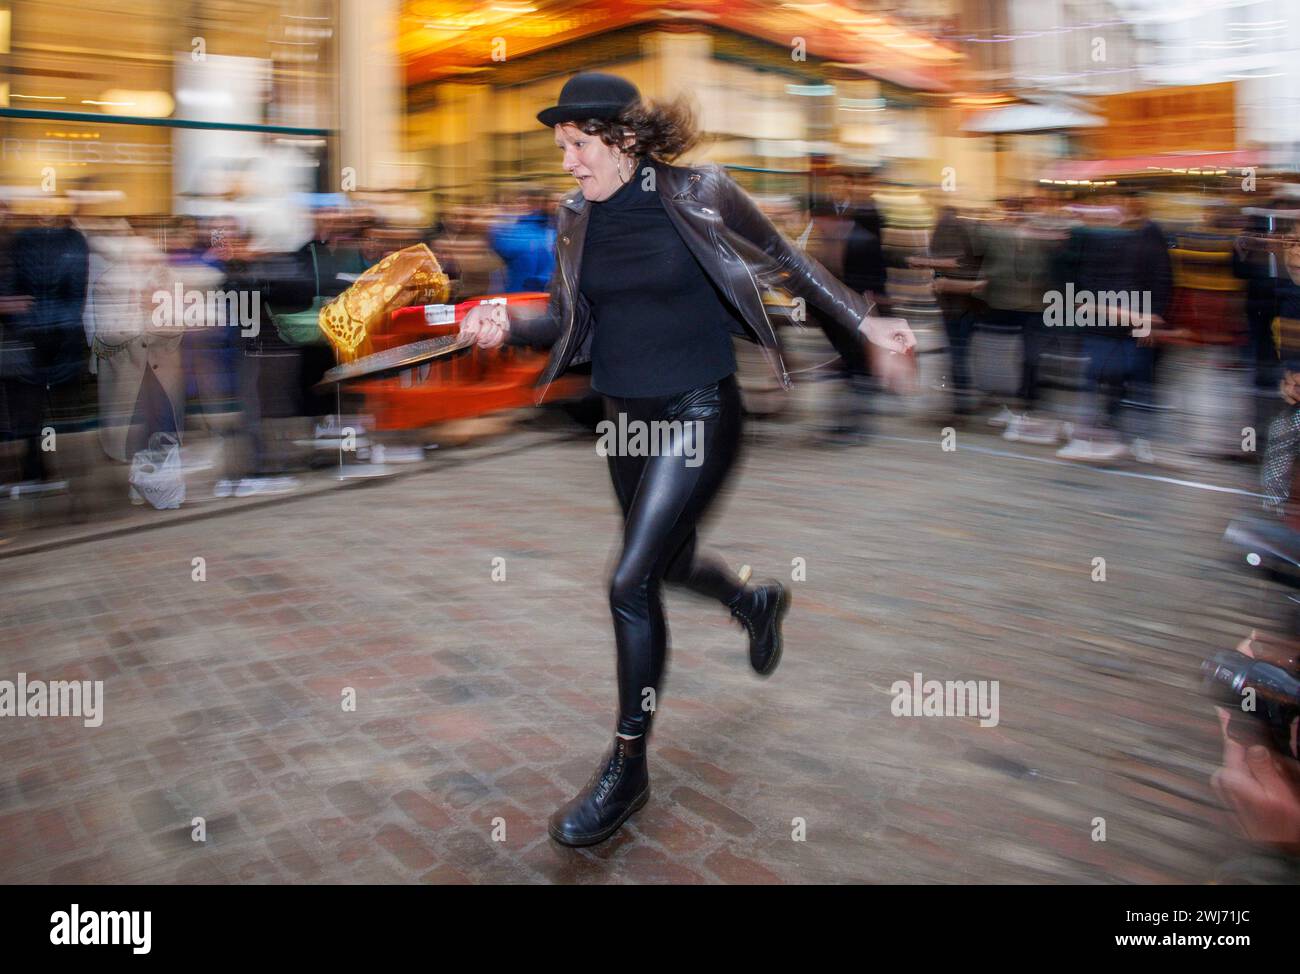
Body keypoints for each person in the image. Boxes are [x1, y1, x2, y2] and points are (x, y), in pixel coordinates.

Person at [459, 72, 915, 847]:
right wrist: (507, 320)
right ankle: (751, 603)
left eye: (577, 145)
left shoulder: (699, 190)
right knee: (667, 563)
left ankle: (626, 768)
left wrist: (866, 328)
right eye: (562, 147)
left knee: (629, 578)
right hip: (624, 420)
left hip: (700, 409)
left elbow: (785, 262)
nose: (567, 162)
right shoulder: (575, 218)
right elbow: (574, 322)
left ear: (625, 139)